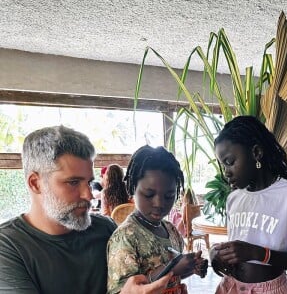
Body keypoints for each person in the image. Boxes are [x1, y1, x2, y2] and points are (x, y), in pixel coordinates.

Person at [0, 125, 173, 294]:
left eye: (89, 183)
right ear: (35, 183)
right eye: (73, 182)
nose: (88, 195)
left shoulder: (106, 229)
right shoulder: (9, 248)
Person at [209, 116, 287, 293]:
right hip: (231, 287)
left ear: (256, 152)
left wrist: (257, 253)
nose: (226, 173)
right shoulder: (233, 199)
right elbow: (238, 246)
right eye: (222, 166)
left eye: (229, 162)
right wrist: (218, 254)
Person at [107, 145, 208, 294]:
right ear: (133, 188)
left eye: (169, 196)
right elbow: (124, 290)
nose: (159, 204)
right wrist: (171, 268)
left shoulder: (171, 230)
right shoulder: (125, 238)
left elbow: (174, 279)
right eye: (149, 194)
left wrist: (190, 267)